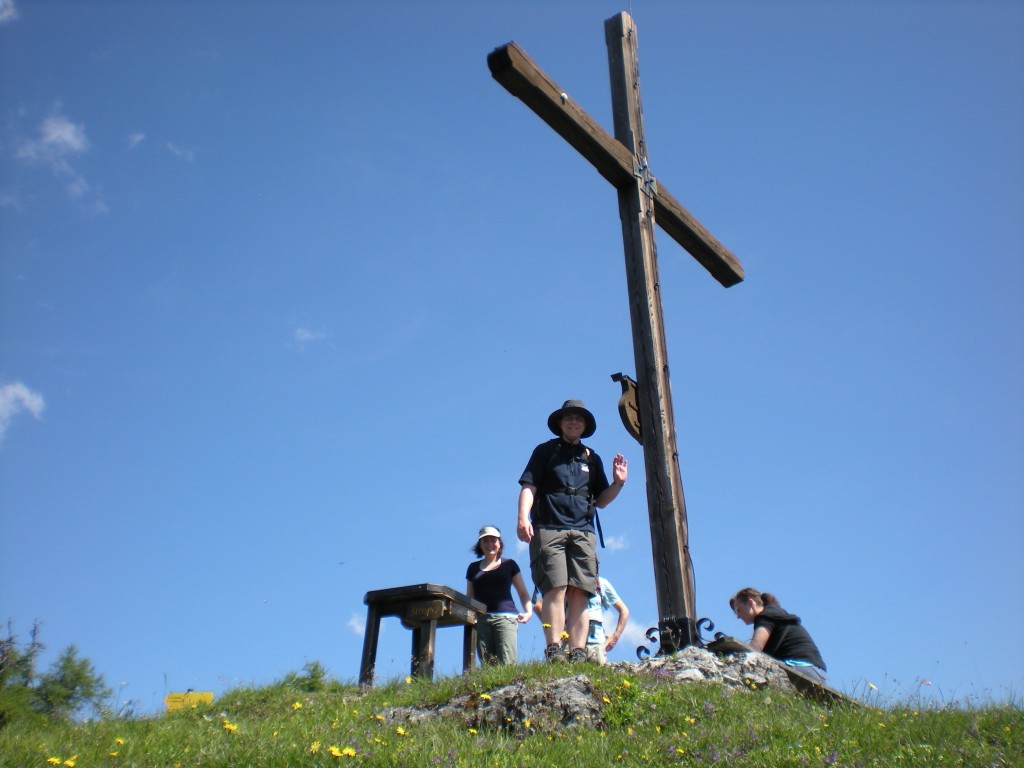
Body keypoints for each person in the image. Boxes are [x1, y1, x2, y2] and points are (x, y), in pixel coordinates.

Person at [517, 399, 628, 663]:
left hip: (583, 531)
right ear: (560, 423)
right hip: (549, 527)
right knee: (555, 587)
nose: (574, 422)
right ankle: (555, 649)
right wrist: (523, 518)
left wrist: (618, 483)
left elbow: (601, 500)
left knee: (581, 590)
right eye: (569, 418)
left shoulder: (592, 457)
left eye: (579, 418)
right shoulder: (544, 452)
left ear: (585, 425)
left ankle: (578, 651)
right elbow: (529, 486)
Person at [465, 525, 533, 665]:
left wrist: (528, 611)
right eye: (485, 541)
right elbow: (469, 598)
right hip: (482, 619)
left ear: (499, 543)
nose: (490, 544)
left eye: (493, 540)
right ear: (480, 544)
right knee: (488, 665)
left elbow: (522, 592)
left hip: (506, 618)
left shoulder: (509, 565)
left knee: (507, 662)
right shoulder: (473, 568)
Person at [729, 587, 828, 683]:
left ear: (750, 603)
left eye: (739, 610)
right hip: (818, 672)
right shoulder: (775, 614)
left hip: (802, 668)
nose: (738, 616)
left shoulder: (765, 617)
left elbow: (755, 648)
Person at [585, 576, 630, 664]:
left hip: (595, 643)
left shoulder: (600, 583)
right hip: (569, 643)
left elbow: (624, 611)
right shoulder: (566, 582)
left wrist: (615, 637)